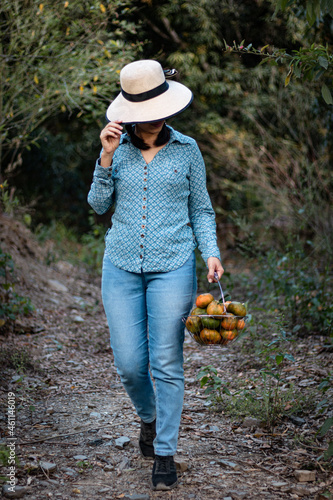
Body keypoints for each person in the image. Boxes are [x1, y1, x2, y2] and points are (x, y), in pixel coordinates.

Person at [87, 59, 223, 491]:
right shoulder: (116, 148)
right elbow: (96, 205)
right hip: (121, 265)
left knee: (166, 361)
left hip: (174, 266)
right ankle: (148, 418)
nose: (157, 114)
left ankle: (165, 453)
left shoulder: (188, 149)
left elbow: (200, 208)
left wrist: (211, 254)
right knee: (130, 365)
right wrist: (105, 158)